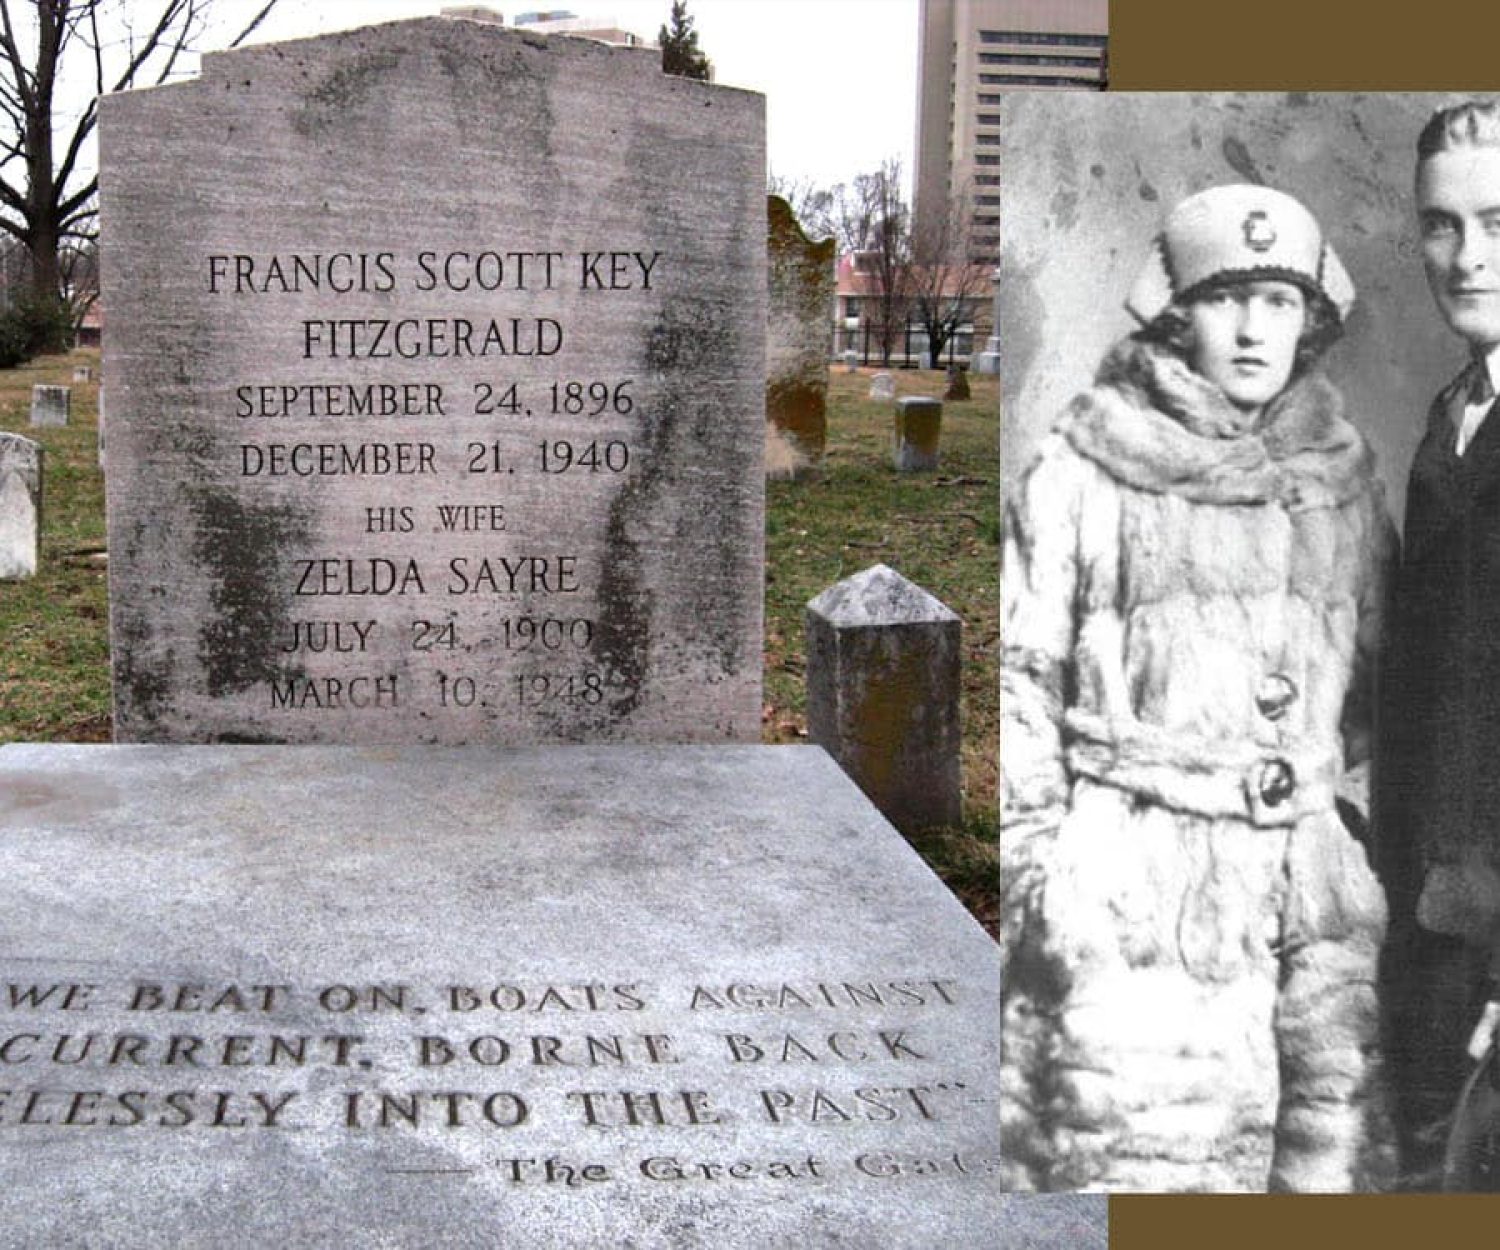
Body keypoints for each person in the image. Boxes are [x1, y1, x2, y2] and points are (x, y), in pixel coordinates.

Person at [1001, 183, 1395, 1192]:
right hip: (1134, 907)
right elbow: (1020, 682)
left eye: (1279, 299)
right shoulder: (1087, 467)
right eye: (1226, 298)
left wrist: (1343, 832)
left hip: (1312, 924)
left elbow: (1390, 698)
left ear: (1313, 316)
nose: (1254, 328)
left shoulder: (1343, 483)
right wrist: (1053, 881)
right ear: (1179, 312)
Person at [1381, 99, 1500, 1189]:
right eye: (1442, 225)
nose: (1467, 258)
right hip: (1431, 912)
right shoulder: (1451, 412)